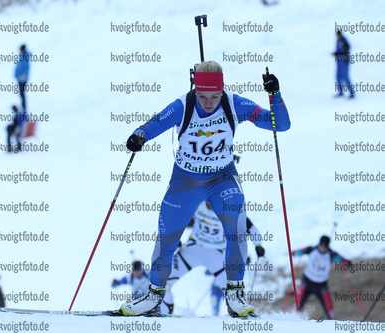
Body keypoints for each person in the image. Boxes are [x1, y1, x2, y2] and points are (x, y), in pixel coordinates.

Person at [119, 60, 290, 318]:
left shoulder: (235, 104)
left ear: (223, 90)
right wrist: (139, 135)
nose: (208, 102)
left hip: (222, 179)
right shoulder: (183, 105)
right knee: (167, 236)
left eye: (214, 96)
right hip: (186, 181)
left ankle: (234, 295)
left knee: (236, 228)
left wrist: (274, 94)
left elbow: (280, 124)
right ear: (194, 90)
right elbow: (154, 124)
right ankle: (154, 296)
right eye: (202, 96)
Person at [161, 201, 265, 316]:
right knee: (163, 280)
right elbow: (176, 220)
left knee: (233, 289)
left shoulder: (228, 209)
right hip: (193, 249)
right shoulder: (197, 203)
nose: (211, 201)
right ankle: (166, 313)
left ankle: (240, 313)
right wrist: (175, 239)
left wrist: (258, 246)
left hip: (216, 254)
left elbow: (251, 228)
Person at [291, 235, 351, 320]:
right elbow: (299, 251)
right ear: (319, 244)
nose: (322, 248)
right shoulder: (312, 249)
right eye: (321, 246)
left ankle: (333, 324)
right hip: (307, 281)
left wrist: (346, 262)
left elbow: (344, 261)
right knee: (297, 304)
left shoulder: (331, 254)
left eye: (325, 247)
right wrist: (295, 253)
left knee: (329, 307)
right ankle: (291, 320)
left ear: (327, 247)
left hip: (321, 284)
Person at [334, 30, 354, 98]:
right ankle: (340, 92)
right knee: (338, 77)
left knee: (346, 77)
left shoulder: (344, 41)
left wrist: (340, 54)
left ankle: (352, 93)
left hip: (344, 61)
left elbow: (347, 50)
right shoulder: (338, 41)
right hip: (339, 62)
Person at [15, 44, 30, 110]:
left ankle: (24, 109)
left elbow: (25, 69)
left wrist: (18, 74)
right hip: (21, 78)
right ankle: (23, 108)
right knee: (21, 94)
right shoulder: (23, 56)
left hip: (22, 78)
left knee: (22, 94)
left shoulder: (25, 57)